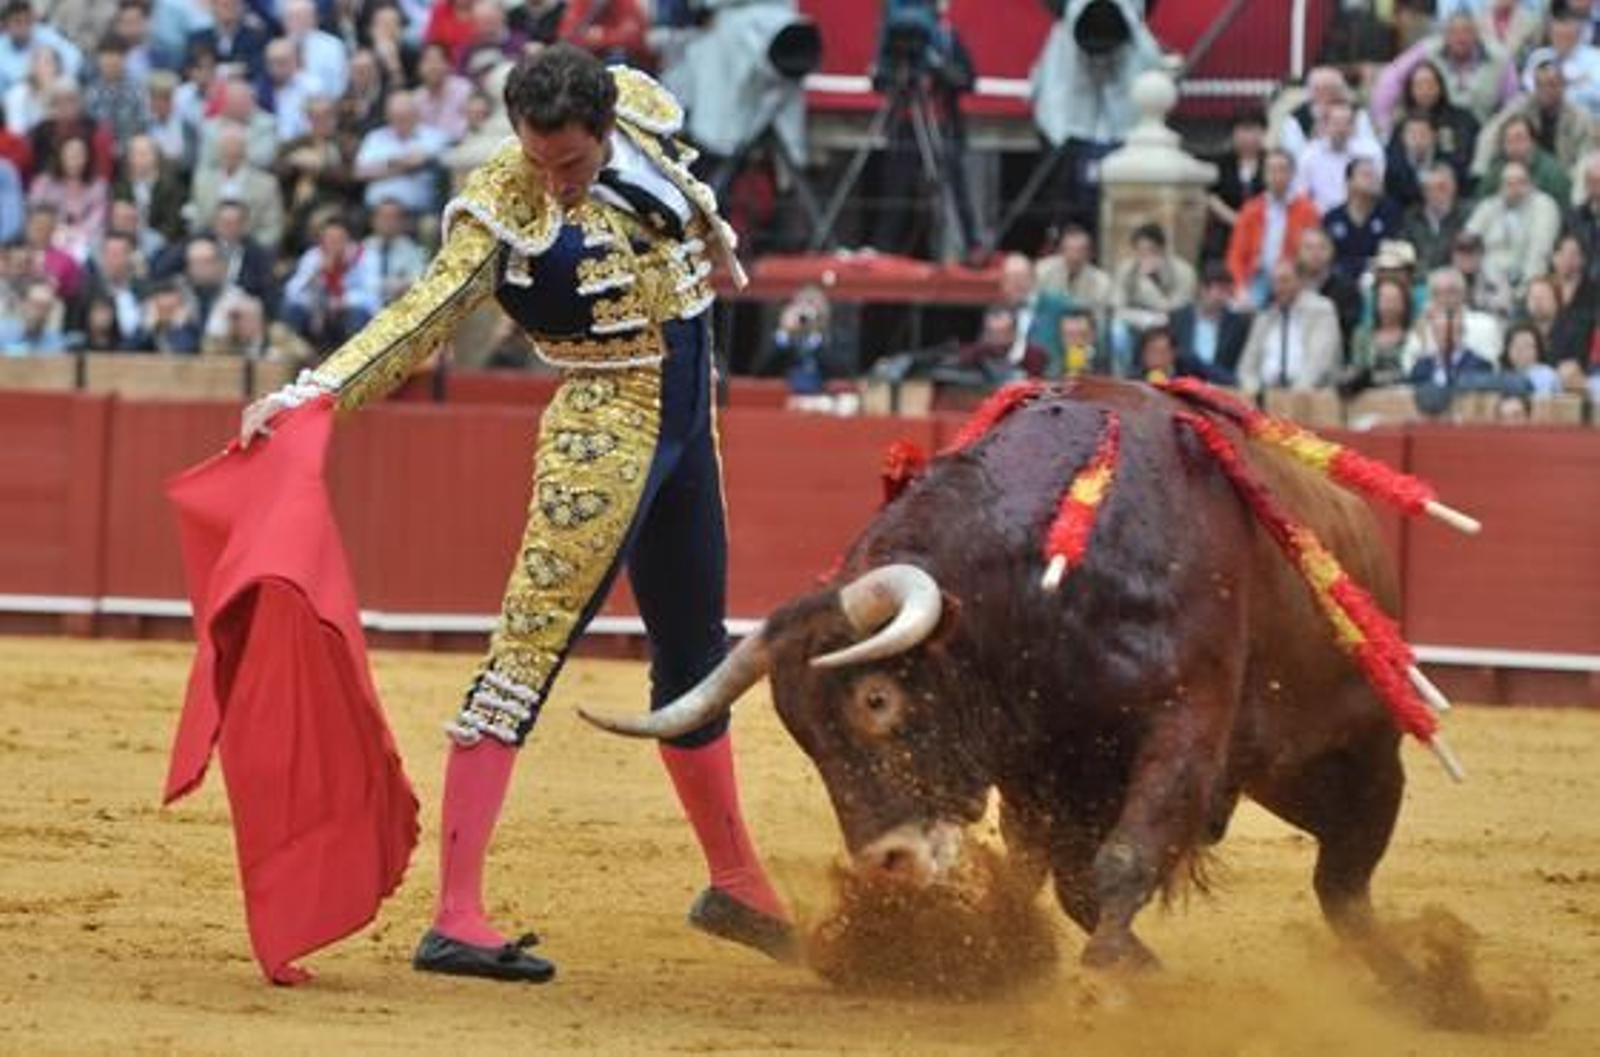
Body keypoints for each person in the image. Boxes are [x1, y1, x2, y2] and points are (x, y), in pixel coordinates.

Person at [236, 45, 791, 983]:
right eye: (536, 157)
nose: (552, 180)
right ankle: (454, 913)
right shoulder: (503, 201)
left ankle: (736, 879)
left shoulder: (639, 108)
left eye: (568, 161)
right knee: (523, 657)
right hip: (602, 433)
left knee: (697, 653)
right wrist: (311, 394)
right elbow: (423, 313)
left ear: (605, 128)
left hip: (689, 426)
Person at [1226, 148, 1321, 307]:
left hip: (1295, 279)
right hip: (1258, 277)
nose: (1276, 176)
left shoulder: (1308, 210)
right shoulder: (1251, 210)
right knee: (1240, 309)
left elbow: (1313, 254)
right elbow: (1235, 255)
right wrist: (1240, 287)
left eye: (1282, 169)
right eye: (1271, 170)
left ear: (1292, 174)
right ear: (1264, 174)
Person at [1236, 259, 1342, 396]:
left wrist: (1290, 396)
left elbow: (1319, 363)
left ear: (1301, 281)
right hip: (1266, 394)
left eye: (1285, 280)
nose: (1278, 288)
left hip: (1308, 396)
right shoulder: (1265, 317)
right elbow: (1246, 367)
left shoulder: (1321, 310)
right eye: (1274, 282)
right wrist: (1256, 392)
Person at [1169, 262, 1250, 386]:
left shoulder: (1237, 324)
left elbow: (1235, 366)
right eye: (1219, 290)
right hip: (1182, 384)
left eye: (1227, 292)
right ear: (1203, 289)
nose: (1223, 297)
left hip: (1219, 386)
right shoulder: (1178, 318)